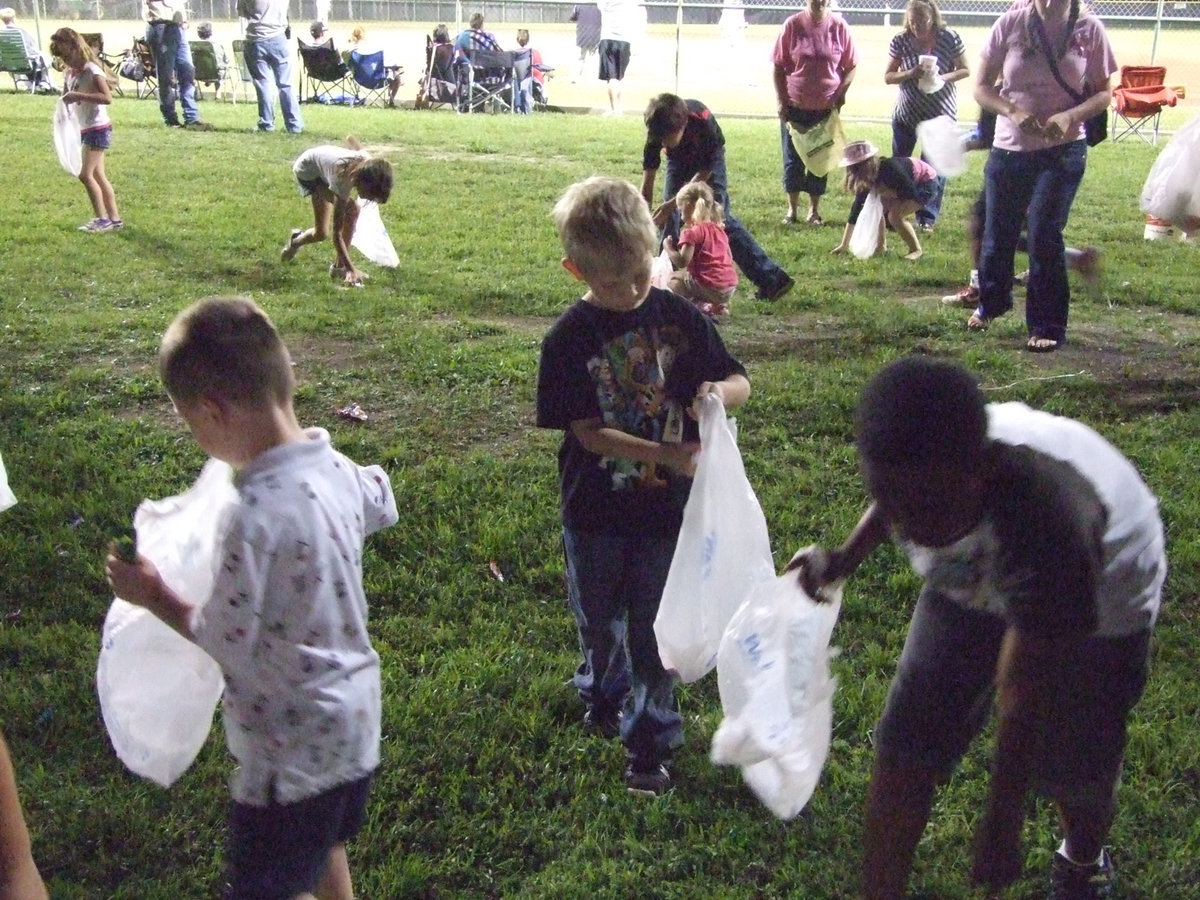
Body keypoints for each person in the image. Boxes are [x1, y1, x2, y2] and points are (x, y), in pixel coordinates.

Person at [789, 355, 1165, 900]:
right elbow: (895, 500)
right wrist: (844, 558)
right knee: (909, 737)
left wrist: (1000, 824)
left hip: (1103, 585)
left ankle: (1081, 861)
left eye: (925, 505)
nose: (913, 527)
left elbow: (1022, 695)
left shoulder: (1048, 520)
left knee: (1074, 756)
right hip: (973, 570)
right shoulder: (923, 463)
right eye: (894, 499)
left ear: (980, 470)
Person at [104, 296, 398, 900]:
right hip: (353, 726)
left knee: (265, 883)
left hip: (289, 754)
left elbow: (224, 639)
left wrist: (153, 595)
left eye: (192, 423)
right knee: (323, 847)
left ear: (211, 410)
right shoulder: (336, 466)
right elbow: (380, 499)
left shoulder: (254, 520)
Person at [537, 176, 750, 796]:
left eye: (639, 272)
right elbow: (589, 433)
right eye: (612, 282)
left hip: (666, 514)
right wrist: (665, 452)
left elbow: (739, 380)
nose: (632, 291)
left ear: (653, 248)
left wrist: (718, 392)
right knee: (598, 618)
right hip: (594, 512)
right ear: (574, 268)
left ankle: (650, 739)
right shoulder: (568, 340)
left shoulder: (678, 315)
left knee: (654, 629)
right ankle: (602, 689)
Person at [968, 0, 1117, 352]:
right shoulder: (1009, 24)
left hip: (1063, 149)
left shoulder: (1089, 29)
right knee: (997, 232)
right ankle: (992, 301)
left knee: (1044, 230)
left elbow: (1104, 93)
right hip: (1009, 147)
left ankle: (1047, 323)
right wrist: (1013, 111)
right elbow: (981, 87)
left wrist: (1070, 116)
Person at [641, 94, 795, 302]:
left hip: (708, 164)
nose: (662, 142)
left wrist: (672, 204)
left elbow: (705, 171)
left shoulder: (702, 121)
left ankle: (772, 279)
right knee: (671, 219)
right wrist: (643, 216)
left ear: (684, 124)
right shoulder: (657, 130)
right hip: (677, 162)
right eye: (659, 139)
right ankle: (666, 285)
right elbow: (647, 181)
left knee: (716, 221)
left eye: (667, 138)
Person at [942, 110, 1101, 308]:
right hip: (1018, 159)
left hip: (1020, 162)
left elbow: (997, 131)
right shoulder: (1003, 87)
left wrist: (964, 143)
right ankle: (1075, 259)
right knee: (995, 229)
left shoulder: (1012, 86)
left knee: (984, 227)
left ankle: (980, 290)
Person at [883, 0, 969, 231]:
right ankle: (896, 212)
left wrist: (942, 78)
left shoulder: (949, 38)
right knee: (900, 164)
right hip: (907, 114)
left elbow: (965, 69)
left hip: (940, 114)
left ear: (933, 18)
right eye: (913, 23)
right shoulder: (901, 41)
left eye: (922, 22)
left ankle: (926, 217)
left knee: (933, 167)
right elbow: (889, 76)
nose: (918, 27)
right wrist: (911, 73)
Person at [772, 0, 858, 226]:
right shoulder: (793, 25)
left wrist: (841, 93)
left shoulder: (839, 27)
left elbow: (851, 66)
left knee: (820, 160)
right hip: (795, 107)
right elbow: (778, 67)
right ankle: (791, 210)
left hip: (825, 109)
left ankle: (814, 210)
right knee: (793, 160)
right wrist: (782, 101)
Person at [281, 138, 392, 286]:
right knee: (350, 212)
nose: (370, 199)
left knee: (320, 233)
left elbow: (352, 140)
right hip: (307, 172)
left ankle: (297, 241)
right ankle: (341, 268)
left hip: (321, 165)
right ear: (362, 181)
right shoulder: (342, 181)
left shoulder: (369, 164)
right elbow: (337, 233)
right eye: (371, 195)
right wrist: (352, 269)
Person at [52, 27, 123, 234]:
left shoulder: (93, 70)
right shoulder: (71, 72)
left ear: (76, 49)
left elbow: (107, 97)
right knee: (99, 175)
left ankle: (102, 219)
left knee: (86, 175)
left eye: (67, 56)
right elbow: (68, 95)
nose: (66, 61)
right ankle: (115, 219)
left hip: (97, 128)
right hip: (85, 127)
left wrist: (79, 96)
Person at [831, 139, 936, 261]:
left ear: (868, 163)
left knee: (894, 216)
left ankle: (916, 250)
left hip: (925, 183)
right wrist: (844, 245)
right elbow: (856, 210)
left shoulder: (890, 169)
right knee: (878, 209)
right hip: (903, 186)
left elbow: (911, 192)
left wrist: (891, 195)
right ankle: (881, 247)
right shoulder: (865, 179)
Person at [663, 181, 737, 318]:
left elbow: (682, 262)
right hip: (729, 287)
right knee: (688, 278)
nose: (680, 214)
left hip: (710, 287)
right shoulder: (719, 229)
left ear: (689, 205)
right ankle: (718, 305)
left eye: (680, 209)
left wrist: (668, 248)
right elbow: (729, 256)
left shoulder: (692, 232)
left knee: (672, 280)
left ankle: (700, 307)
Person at [143, 0, 212, 129]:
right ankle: (170, 119)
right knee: (166, 76)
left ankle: (191, 117)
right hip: (160, 25)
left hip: (178, 27)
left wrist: (183, 19)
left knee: (187, 71)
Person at [237, 0, 303, 133]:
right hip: (278, 38)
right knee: (286, 84)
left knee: (263, 84)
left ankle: (266, 123)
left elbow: (243, 13)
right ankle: (294, 125)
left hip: (254, 40)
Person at [453, 12, 502, 112]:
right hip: (493, 78)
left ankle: (473, 105)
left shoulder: (462, 37)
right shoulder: (489, 38)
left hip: (472, 77)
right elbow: (499, 55)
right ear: (482, 23)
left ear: (470, 23)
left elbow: (457, 57)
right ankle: (516, 107)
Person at [596, 0, 638, 115]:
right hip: (624, 40)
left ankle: (614, 107)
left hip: (608, 38)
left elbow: (600, 7)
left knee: (612, 78)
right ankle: (617, 106)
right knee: (619, 78)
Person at [0, 6, 55, 92]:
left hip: (10, 64)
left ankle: (36, 84)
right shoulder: (20, 32)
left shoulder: (1, 33)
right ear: (14, 18)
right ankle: (45, 84)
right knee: (42, 57)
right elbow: (32, 47)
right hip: (26, 63)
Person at [514, 28, 548, 113]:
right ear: (528, 40)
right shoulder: (534, 52)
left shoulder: (513, 54)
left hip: (517, 81)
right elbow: (540, 66)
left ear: (517, 40)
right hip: (532, 80)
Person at [568, 3, 600, 83]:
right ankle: (594, 77)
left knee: (581, 57)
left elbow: (573, 17)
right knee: (593, 56)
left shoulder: (579, 4)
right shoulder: (600, 4)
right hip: (595, 35)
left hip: (582, 35)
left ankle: (575, 77)